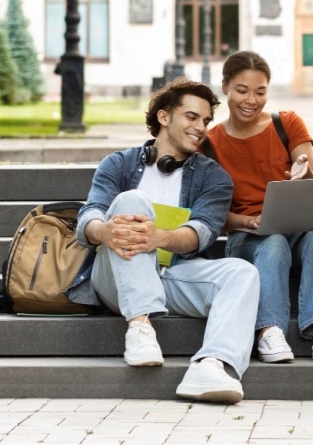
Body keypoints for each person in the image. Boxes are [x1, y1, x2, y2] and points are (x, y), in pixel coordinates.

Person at [66, 78, 259, 404]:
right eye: (191, 117)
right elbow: (89, 217)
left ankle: (212, 365)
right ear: (164, 117)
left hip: (172, 276)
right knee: (132, 202)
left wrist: (158, 237)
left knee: (243, 272)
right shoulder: (119, 164)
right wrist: (104, 231)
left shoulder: (213, 177)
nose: (201, 127)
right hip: (115, 279)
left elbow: (201, 234)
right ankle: (140, 327)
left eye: (206, 121)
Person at [208, 51, 313, 365]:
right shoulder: (211, 143)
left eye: (260, 92)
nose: (251, 100)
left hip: (295, 232)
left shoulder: (287, 123)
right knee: (271, 242)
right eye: (242, 90)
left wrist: (306, 174)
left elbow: (312, 181)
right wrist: (247, 221)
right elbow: (214, 215)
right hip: (248, 239)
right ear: (225, 87)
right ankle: (268, 331)